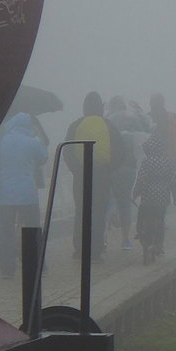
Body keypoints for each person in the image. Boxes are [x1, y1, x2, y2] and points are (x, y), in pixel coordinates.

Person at [0, 113, 47, 278]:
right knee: (32, 229)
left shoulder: (0, 141)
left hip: (4, 195)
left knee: (6, 233)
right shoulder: (32, 142)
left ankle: (7, 270)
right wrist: (38, 137)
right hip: (28, 194)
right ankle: (35, 264)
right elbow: (44, 158)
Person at [64, 92, 125, 260]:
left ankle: (79, 249)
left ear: (84, 107)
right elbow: (121, 150)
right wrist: (109, 168)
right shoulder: (108, 125)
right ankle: (96, 250)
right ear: (101, 108)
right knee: (98, 212)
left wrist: (76, 169)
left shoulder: (76, 125)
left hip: (81, 176)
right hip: (101, 176)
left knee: (81, 211)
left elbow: (67, 151)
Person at [106, 95, 150, 250]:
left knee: (109, 201)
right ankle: (125, 240)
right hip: (128, 168)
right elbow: (146, 135)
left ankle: (103, 238)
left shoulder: (108, 120)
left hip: (110, 168)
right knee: (125, 203)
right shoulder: (133, 120)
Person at [132, 130, 176, 264]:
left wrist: (135, 193)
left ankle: (141, 233)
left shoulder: (147, 162)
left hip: (148, 196)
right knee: (160, 220)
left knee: (143, 215)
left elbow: (141, 179)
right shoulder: (168, 162)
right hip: (163, 196)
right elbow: (173, 181)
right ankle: (158, 245)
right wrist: (175, 196)